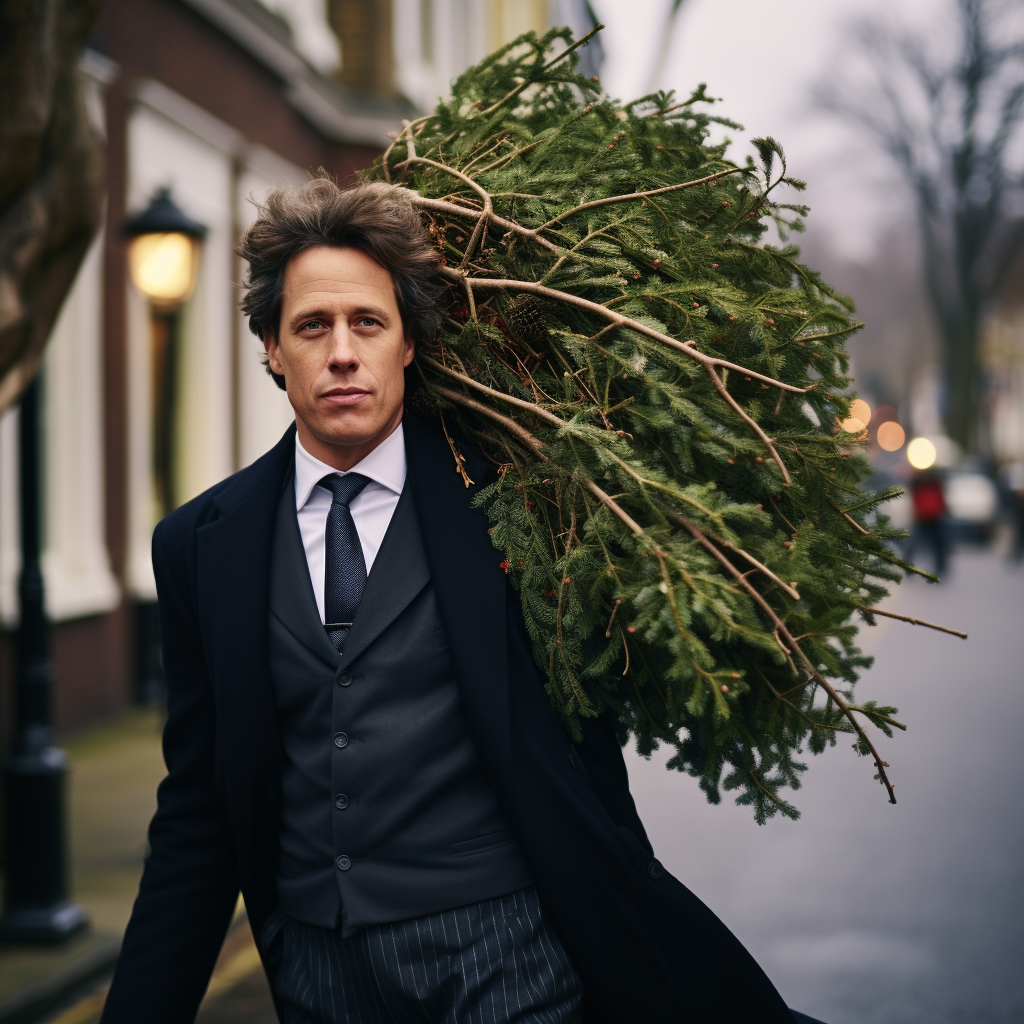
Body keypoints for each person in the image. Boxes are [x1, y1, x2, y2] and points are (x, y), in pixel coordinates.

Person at [101, 178, 823, 1024]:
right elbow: (197, 805)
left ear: (408, 343)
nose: (342, 352)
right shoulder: (198, 544)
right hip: (314, 971)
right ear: (270, 346)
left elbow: (587, 752)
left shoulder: (520, 502)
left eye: (368, 323)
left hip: (504, 955)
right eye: (312, 326)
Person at [906, 469, 950, 577]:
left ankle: (941, 569)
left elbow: (941, 496)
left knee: (939, 545)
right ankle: (907, 567)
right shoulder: (917, 482)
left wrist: (944, 509)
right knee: (913, 544)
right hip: (922, 517)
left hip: (934, 517)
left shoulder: (936, 482)